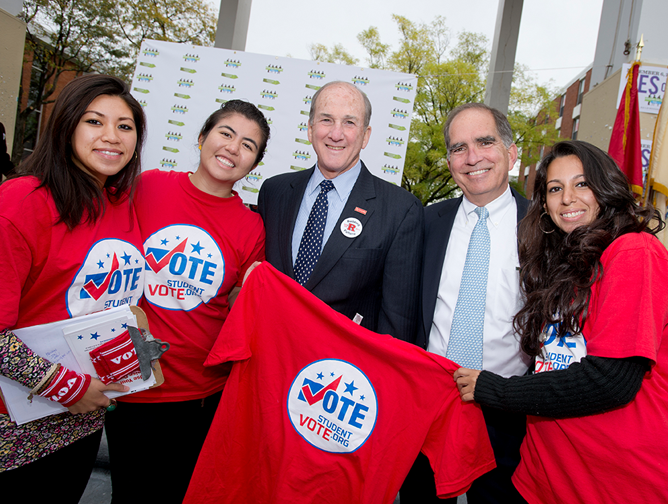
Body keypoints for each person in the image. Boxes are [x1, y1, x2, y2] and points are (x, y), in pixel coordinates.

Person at [454, 140, 667, 503]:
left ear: (607, 188)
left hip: (612, 482)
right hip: (543, 476)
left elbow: (612, 380)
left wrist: (496, 389)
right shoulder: (566, 264)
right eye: (555, 188)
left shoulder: (633, 252)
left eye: (581, 183)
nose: (567, 198)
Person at [105, 100, 269, 503]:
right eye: (225, 134)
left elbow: (241, 303)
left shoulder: (251, 226)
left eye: (248, 145)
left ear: (254, 164)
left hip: (201, 395)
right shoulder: (148, 186)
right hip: (131, 385)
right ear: (201, 138)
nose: (233, 147)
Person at [0, 74, 146, 502]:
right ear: (66, 127)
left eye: (125, 126)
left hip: (83, 420)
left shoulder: (121, 205)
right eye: (94, 121)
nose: (111, 137)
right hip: (16, 430)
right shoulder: (21, 202)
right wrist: (67, 388)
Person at [401, 103, 531, 503]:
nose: (472, 157)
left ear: (511, 153)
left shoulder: (544, 226)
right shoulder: (425, 222)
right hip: (430, 404)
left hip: (507, 411)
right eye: (459, 148)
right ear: (449, 161)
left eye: (485, 142)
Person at [257, 80, 423, 342]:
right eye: (326, 120)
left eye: (349, 122)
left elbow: (397, 323)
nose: (336, 134)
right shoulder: (274, 192)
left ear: (365, 135)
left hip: (340, 374)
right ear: (310, 130)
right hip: (269, 353)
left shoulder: (400, 211)